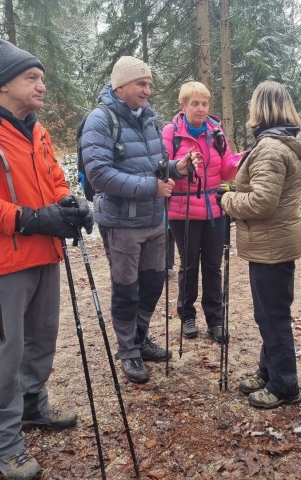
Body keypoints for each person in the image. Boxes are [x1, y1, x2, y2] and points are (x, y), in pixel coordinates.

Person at [0, 38, 92, 480]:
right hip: (4, 263)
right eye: (32, 78)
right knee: (4, 355)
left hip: (45, 255)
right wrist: (30, 219)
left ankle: (33, 408)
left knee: (42, 341)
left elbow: (53, 178)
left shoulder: (37, 130)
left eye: (42, 78)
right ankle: (4, 443)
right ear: (4, 83)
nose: (41, 86)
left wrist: (70, 202)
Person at [80, 56, 197, 384]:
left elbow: (155, 165)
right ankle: (128, 350)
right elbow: (99, 174)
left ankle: (140, 337)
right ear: (120, 87)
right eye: (141, 84)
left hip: (154, 218)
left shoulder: (149, 119)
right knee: (126, 289)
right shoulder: (100, 121)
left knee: (154, 282)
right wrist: (152, 187)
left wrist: (177, 168)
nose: (148, 89)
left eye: (149, 83)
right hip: (122, 222)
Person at [216, 81, 301, 408]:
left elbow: (261, 203)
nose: (249, 111)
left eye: (253, 104)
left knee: (272, 316)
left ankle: (286, 383)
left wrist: (228, 199)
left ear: (263, 108)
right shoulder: (286, 141)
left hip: (271, 243)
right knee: (271, 313)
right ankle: (269, 370)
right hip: (277, 241)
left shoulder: (271, 147)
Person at [162, 81, 240, 343]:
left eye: (204, 103)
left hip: (214, 209)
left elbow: (226, 170)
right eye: (195, 103)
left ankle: (215, 320)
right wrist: (180, 166)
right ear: (183, 106)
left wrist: (237, 163)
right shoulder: (171, 133)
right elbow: (162, 166)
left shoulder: (216, 133)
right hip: (182, 209)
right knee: (189, 265)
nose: (201, 108)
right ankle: (187, 316)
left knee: (213, 266)